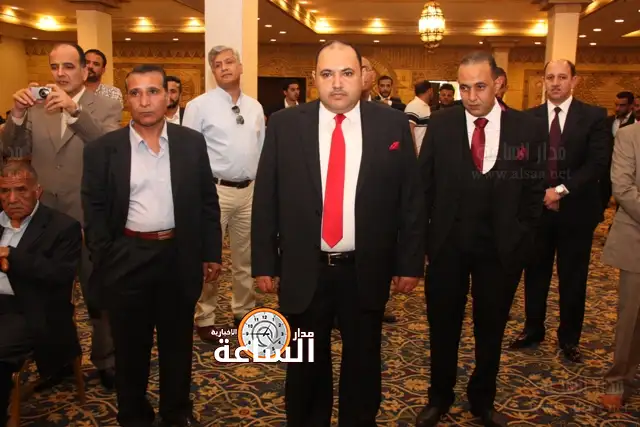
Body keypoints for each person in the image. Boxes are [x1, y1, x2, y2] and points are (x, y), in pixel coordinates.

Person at [252, 40, 424, 427]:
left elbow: (411, 199)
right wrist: (264, 261)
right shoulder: (285, 124)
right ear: (314, 78)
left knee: (363, 362)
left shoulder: (392, 124)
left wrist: (410, 262)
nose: (337, 83)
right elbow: (266, 197)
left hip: (366, 267)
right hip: (304, 266)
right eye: (327, 74)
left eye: (347, 73)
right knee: (306, 364)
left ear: (363, 77)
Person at [82, 64, 222, 427]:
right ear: (127, 99)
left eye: (153, 91)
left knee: (178, 343)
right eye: (136, 93)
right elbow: (94, 211)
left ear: (168, 96)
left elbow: (207, 201)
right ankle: (133, 415)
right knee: (131, 347)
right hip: (127, 257)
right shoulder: (102, 150)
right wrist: (106, 256)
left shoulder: (191, 143)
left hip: (179, 256)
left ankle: (177, 412)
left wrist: (210, 252)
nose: (144, 101)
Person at [416, 51, 546, 427]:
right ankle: (439, 396)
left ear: (498, 84)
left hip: (500, 249)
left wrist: (522, 236)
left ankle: (482, 400)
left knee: (491, 329)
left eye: (480, 87)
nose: (471, 96)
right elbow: (424, 186)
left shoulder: (526, 128)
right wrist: (423, 242)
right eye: (464, 88)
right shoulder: (441, 123)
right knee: (443, 327)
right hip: (447, 247)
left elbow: (534, 189)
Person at [4, 42, 121, 389]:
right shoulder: (37, 105)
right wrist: (17, 116)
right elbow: (14, 152)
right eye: (55, 67)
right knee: (47, 294)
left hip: (88, 217)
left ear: (85, 70)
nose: (60, 74)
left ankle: (107, 361)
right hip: (44, 219)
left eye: (68, 66)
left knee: (97, 293)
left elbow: (109, 150)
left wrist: (74, 111)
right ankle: (56, 363)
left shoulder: (106, 105)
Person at [510, 60, 610, 363]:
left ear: (574, 81)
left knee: (573, 277)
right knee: (535, 274)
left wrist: (560, 191)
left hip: (576, 211)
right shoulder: (528, 118)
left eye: (562, 77)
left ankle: (569, 338)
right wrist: (542, 193)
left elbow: (596, 163)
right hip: (538, 210)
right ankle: (533, 329)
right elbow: (522, 162)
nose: (555, 82)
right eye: (550, 77)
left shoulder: (594, 117)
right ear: (543, 81)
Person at [183, 45, 265, 338]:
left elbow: (261, 151)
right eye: (218, 65)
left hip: (249, 192)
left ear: (240, 67)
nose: (224, 68)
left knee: (246, 258)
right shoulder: (198, 106)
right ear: (213, 72)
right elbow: (188, 154)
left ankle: (243, 310)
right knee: (210, 258)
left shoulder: (255, 107)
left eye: (229, 62)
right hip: (213, 192)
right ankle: (205, 316)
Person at [0, 161, 82, 427]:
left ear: (38, 191)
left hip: (32, 309)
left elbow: (59, 275)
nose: (12, 199)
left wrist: (12, 256)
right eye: (5, 191)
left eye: (21, 190)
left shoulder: (62, 227)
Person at [600, 122, 640, 410]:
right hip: (637, 237)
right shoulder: (630, 136)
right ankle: (619, 379)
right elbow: (623, 189)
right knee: (632, 316)